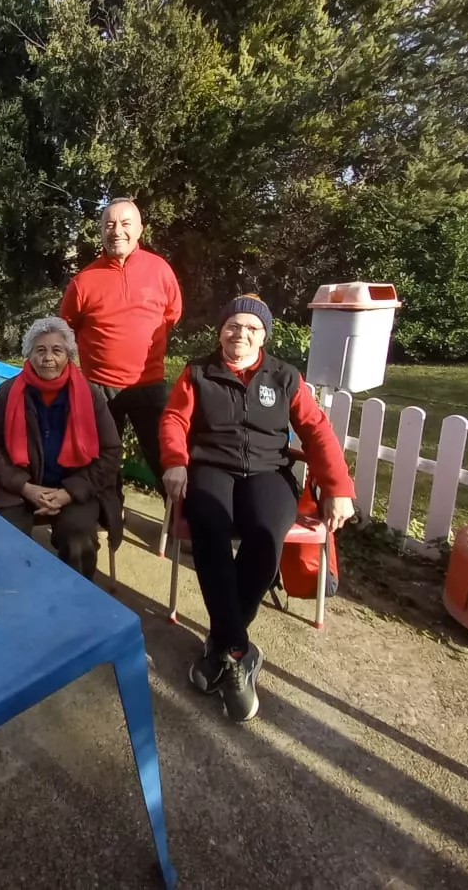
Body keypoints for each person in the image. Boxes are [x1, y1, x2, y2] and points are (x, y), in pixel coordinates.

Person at [159, 294, 355, 723]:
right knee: (210, 529)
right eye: (233, 326)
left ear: (264, 334)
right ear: (220, 330)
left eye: (251, 328)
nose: (241, 334)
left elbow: (317, 431)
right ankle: (237, 651)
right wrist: (175, 461)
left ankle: (222, 643)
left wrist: (339, 487)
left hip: (269, 471)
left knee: (265, 535)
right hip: (211, 466)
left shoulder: (285, 376)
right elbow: (174, 420)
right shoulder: (197, 373)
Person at [0, 317, 124, 579]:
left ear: (68, 355)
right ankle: (19, 602)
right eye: (40, 350)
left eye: (57, 350)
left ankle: (75, 603)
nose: (48, 358)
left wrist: (69, 493)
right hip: (20, 489)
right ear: (29, 355)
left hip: (76, 488)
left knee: (79, 539)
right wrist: (26, 487)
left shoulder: (90, 395)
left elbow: (111, 452)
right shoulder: (9, 392)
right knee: (6, 541)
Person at [60, 198, 182, 488]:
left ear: (139, 229)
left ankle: (178, 523)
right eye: (109, 225)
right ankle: (110, 519)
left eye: (126, 224)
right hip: (100, 387)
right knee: (104, 461)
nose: (117, 231)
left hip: (148, 383)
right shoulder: (83, 281)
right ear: (101, 231)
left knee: (161, 455)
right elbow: (66, 328)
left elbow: (172, 314)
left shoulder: (160, 270)